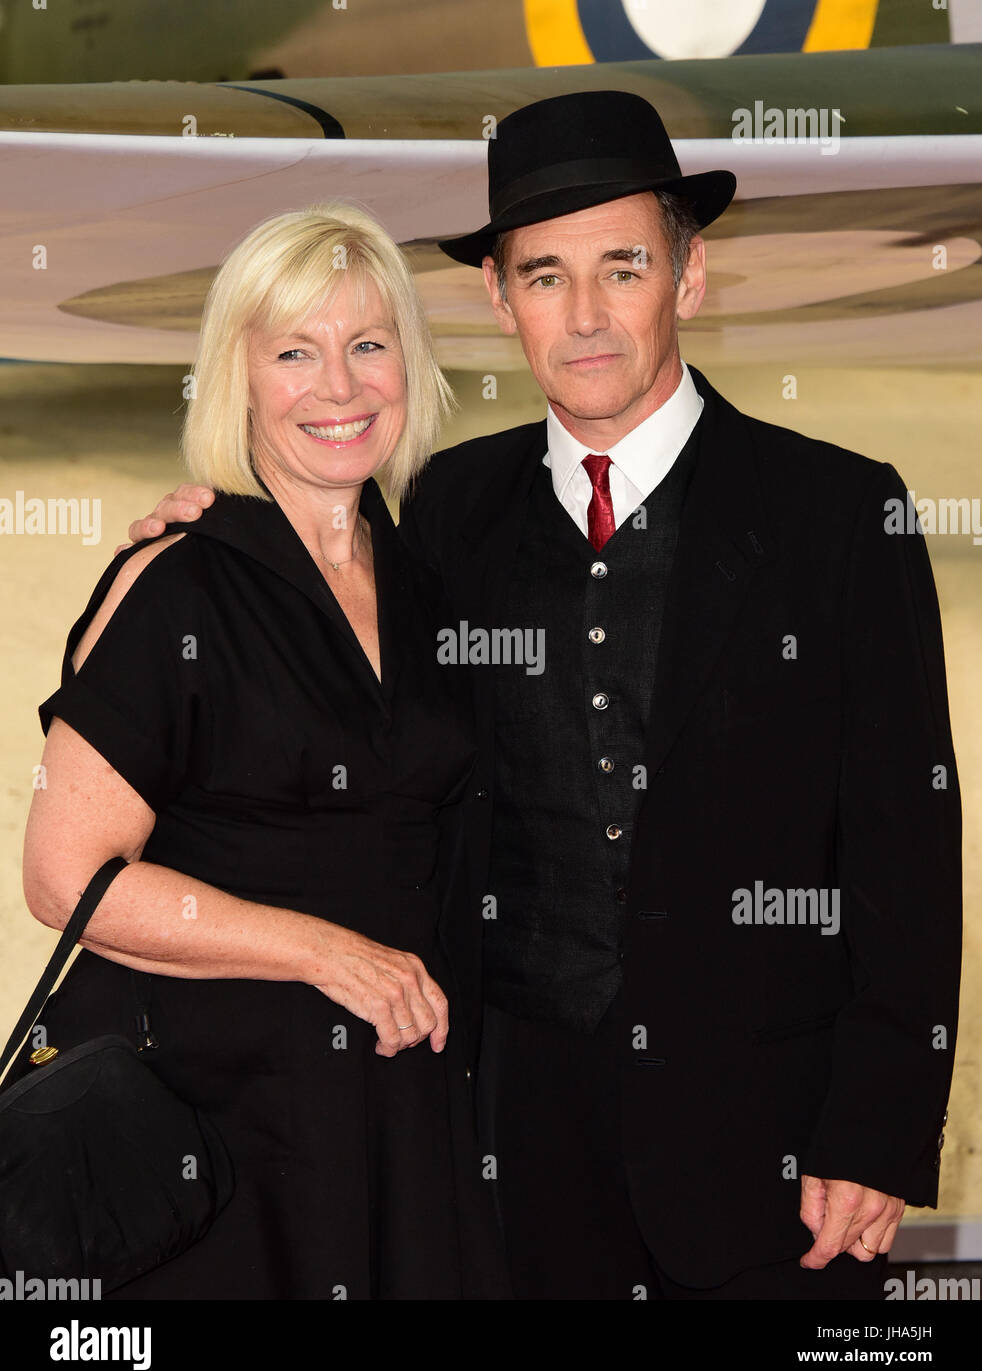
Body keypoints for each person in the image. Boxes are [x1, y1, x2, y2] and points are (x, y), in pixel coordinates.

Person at [128, 91, 962, 1301]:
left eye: (621, 267)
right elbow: (333, 622)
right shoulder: (451, 509)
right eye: (543, 275)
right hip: (512, 1147)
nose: (582, 317)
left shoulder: (837, 513)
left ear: (689, 275)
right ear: (499, 298)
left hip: (776, 1157)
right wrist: (209, 534)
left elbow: (908, 839)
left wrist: (874, 1129)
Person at [21, 200, 508, 1300]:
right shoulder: (177, 582)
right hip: (215, 1141)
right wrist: (321, 952)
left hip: (393, 1126)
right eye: (295, 350)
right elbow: (66, 880)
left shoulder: (433, 580)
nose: (338, 386)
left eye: (368, 344)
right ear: (236, 375)